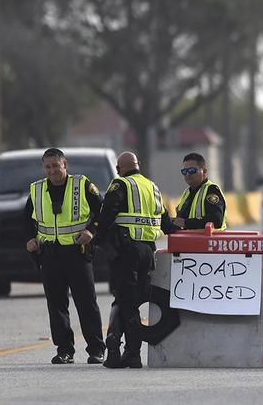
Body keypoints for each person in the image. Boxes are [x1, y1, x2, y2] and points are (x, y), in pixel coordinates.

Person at [87, 151, 178, 369]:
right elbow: (166, 224)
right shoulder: (152, 187)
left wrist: (97, 240)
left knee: (125, 302)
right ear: (139, 165)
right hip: (148, 252)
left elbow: (106, 216)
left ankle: (128, 352)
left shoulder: (120, 185)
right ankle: (125, 349)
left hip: (125, 252)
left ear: (119, 169)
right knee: (134, 300)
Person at [23, 148, 106, 364]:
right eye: (47, 167)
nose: (52, 171)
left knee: (86, 303)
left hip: (77, 254)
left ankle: (96, 349)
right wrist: (30, 239)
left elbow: (103, 213)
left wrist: (92, 232)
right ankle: (65, 350)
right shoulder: (37, 189)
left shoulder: (82, 185)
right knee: (56, 305)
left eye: (55, 166)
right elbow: (25, 220)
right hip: (50, 255)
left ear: (65, 165)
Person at [173, 152, 227, 231]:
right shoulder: (187, 193)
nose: (187, 174)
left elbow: (216, 220)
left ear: (204, 171)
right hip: (191, 241)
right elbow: (181, 220)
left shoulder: (211, 190)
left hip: (210, 242)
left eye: (192, 170)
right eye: (184, 171)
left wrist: (186, 223)